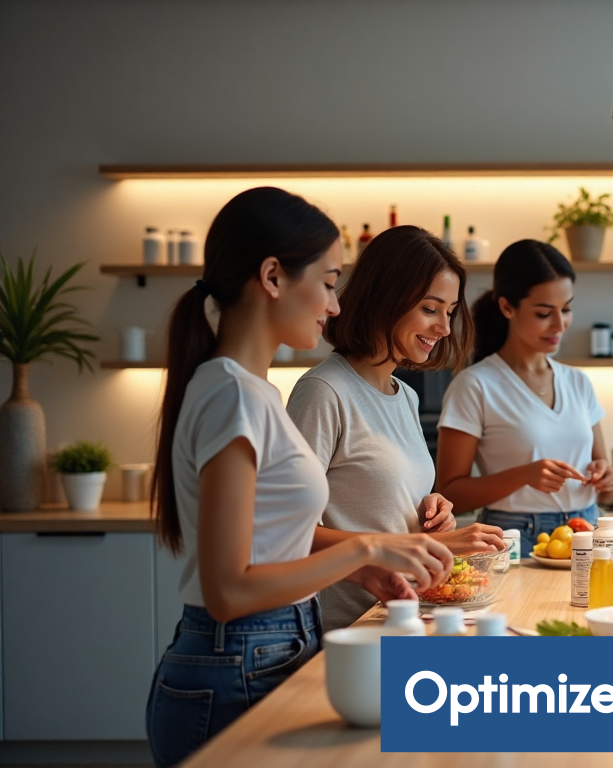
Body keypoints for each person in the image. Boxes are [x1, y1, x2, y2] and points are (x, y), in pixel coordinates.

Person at [145, 188, 452, 768]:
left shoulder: (249, 391)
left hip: (268, 649)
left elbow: (270, 541)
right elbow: (228, 591)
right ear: (272, 277)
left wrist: (363, 567)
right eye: (330, 280)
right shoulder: (235, 395)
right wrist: (366, 545)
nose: (335, 305)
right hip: (235, 666)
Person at [287, 225, 506, 631]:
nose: (443, 327)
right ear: (384, 298)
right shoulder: (324, 392)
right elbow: (289, 532)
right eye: (430, 308)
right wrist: (429, 544)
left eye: (450, 312)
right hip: (348, 628)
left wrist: (431, 511)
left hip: (403, 615)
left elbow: (377, 501)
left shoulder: (404, 395)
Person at [436, 239, 613, 553]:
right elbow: (450, 493)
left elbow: (605, 484)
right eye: (545, 313)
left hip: (588, 529)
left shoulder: (578, 382)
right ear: (507, 307)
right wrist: (525, 475)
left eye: (567, 309)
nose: (560, 324)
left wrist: (606, 478)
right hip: (516, 535)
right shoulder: (475, 385)